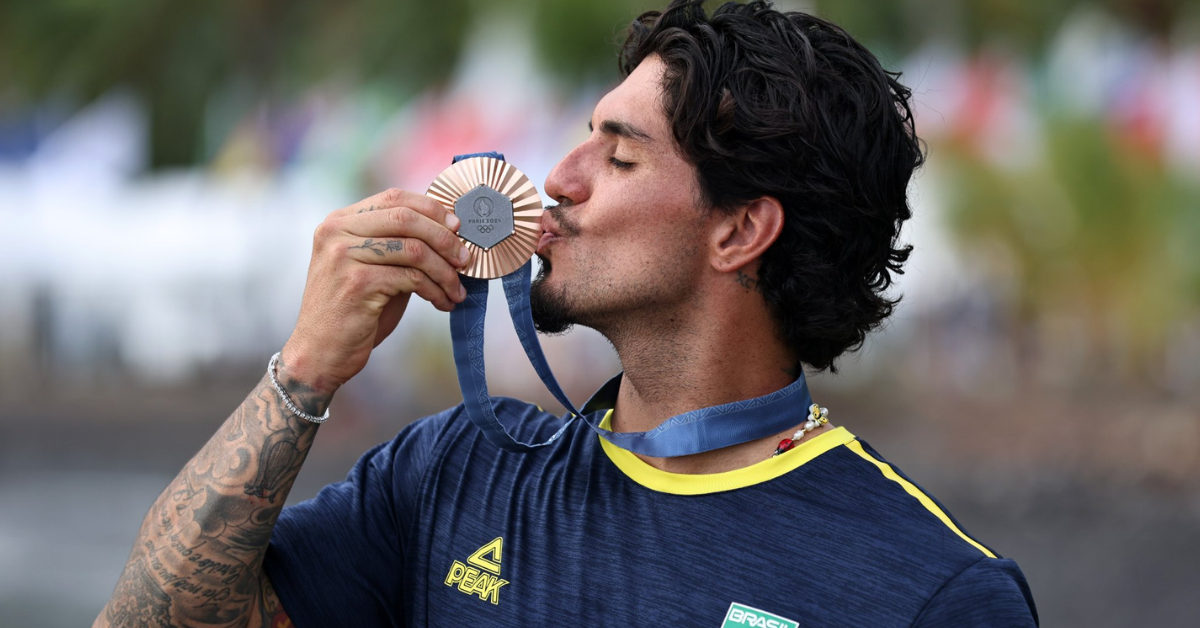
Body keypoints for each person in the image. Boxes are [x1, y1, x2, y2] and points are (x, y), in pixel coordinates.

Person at [94, 1, 1038, 626]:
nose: (558, 179)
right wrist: (304, 372)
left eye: (619, 158)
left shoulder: (933, 590)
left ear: (740, 230)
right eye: (583, 136)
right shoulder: (454, 475)